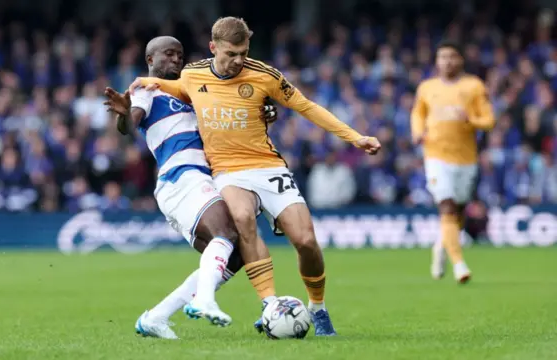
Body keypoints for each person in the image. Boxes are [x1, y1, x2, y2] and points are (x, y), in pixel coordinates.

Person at [128, 17, 381, 336]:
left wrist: (354, 137)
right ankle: (270, 304)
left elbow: (307, 107)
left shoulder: (264, 75)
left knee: (305, 241)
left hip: (268, 166)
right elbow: (156, 87)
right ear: (213, 47)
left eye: (243, 53)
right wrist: (133, 92)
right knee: (242, 223)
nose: (238, 61)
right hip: (226, 172)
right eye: (231, 54)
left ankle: (318, 308)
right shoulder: (193, 75)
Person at [104, 36, 278, 339]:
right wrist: (124, 116)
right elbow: (131, 122)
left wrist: (262, 115)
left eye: (180, 55)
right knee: (226, 234)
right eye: (168, 54)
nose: (176, 59)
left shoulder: (192, 93)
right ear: (150, 60)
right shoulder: (148, 89)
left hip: (201, 179)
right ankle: (204, 300)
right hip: (181, 176)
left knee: (233, 255)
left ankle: (155, 317)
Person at [410, 40, 495, 283]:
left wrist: (470, 119)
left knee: (458, 213)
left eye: (452, 56)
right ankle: (459, 264)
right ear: (437, 61)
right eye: (443, 57)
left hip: (466, 158)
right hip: (436, 156)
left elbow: (489, 120)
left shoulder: (474, 86)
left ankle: (441, 246)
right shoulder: (427, 87)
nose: (447, 61)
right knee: (446, 205)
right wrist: (417, 131)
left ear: (461, 60)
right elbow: (418, 112)